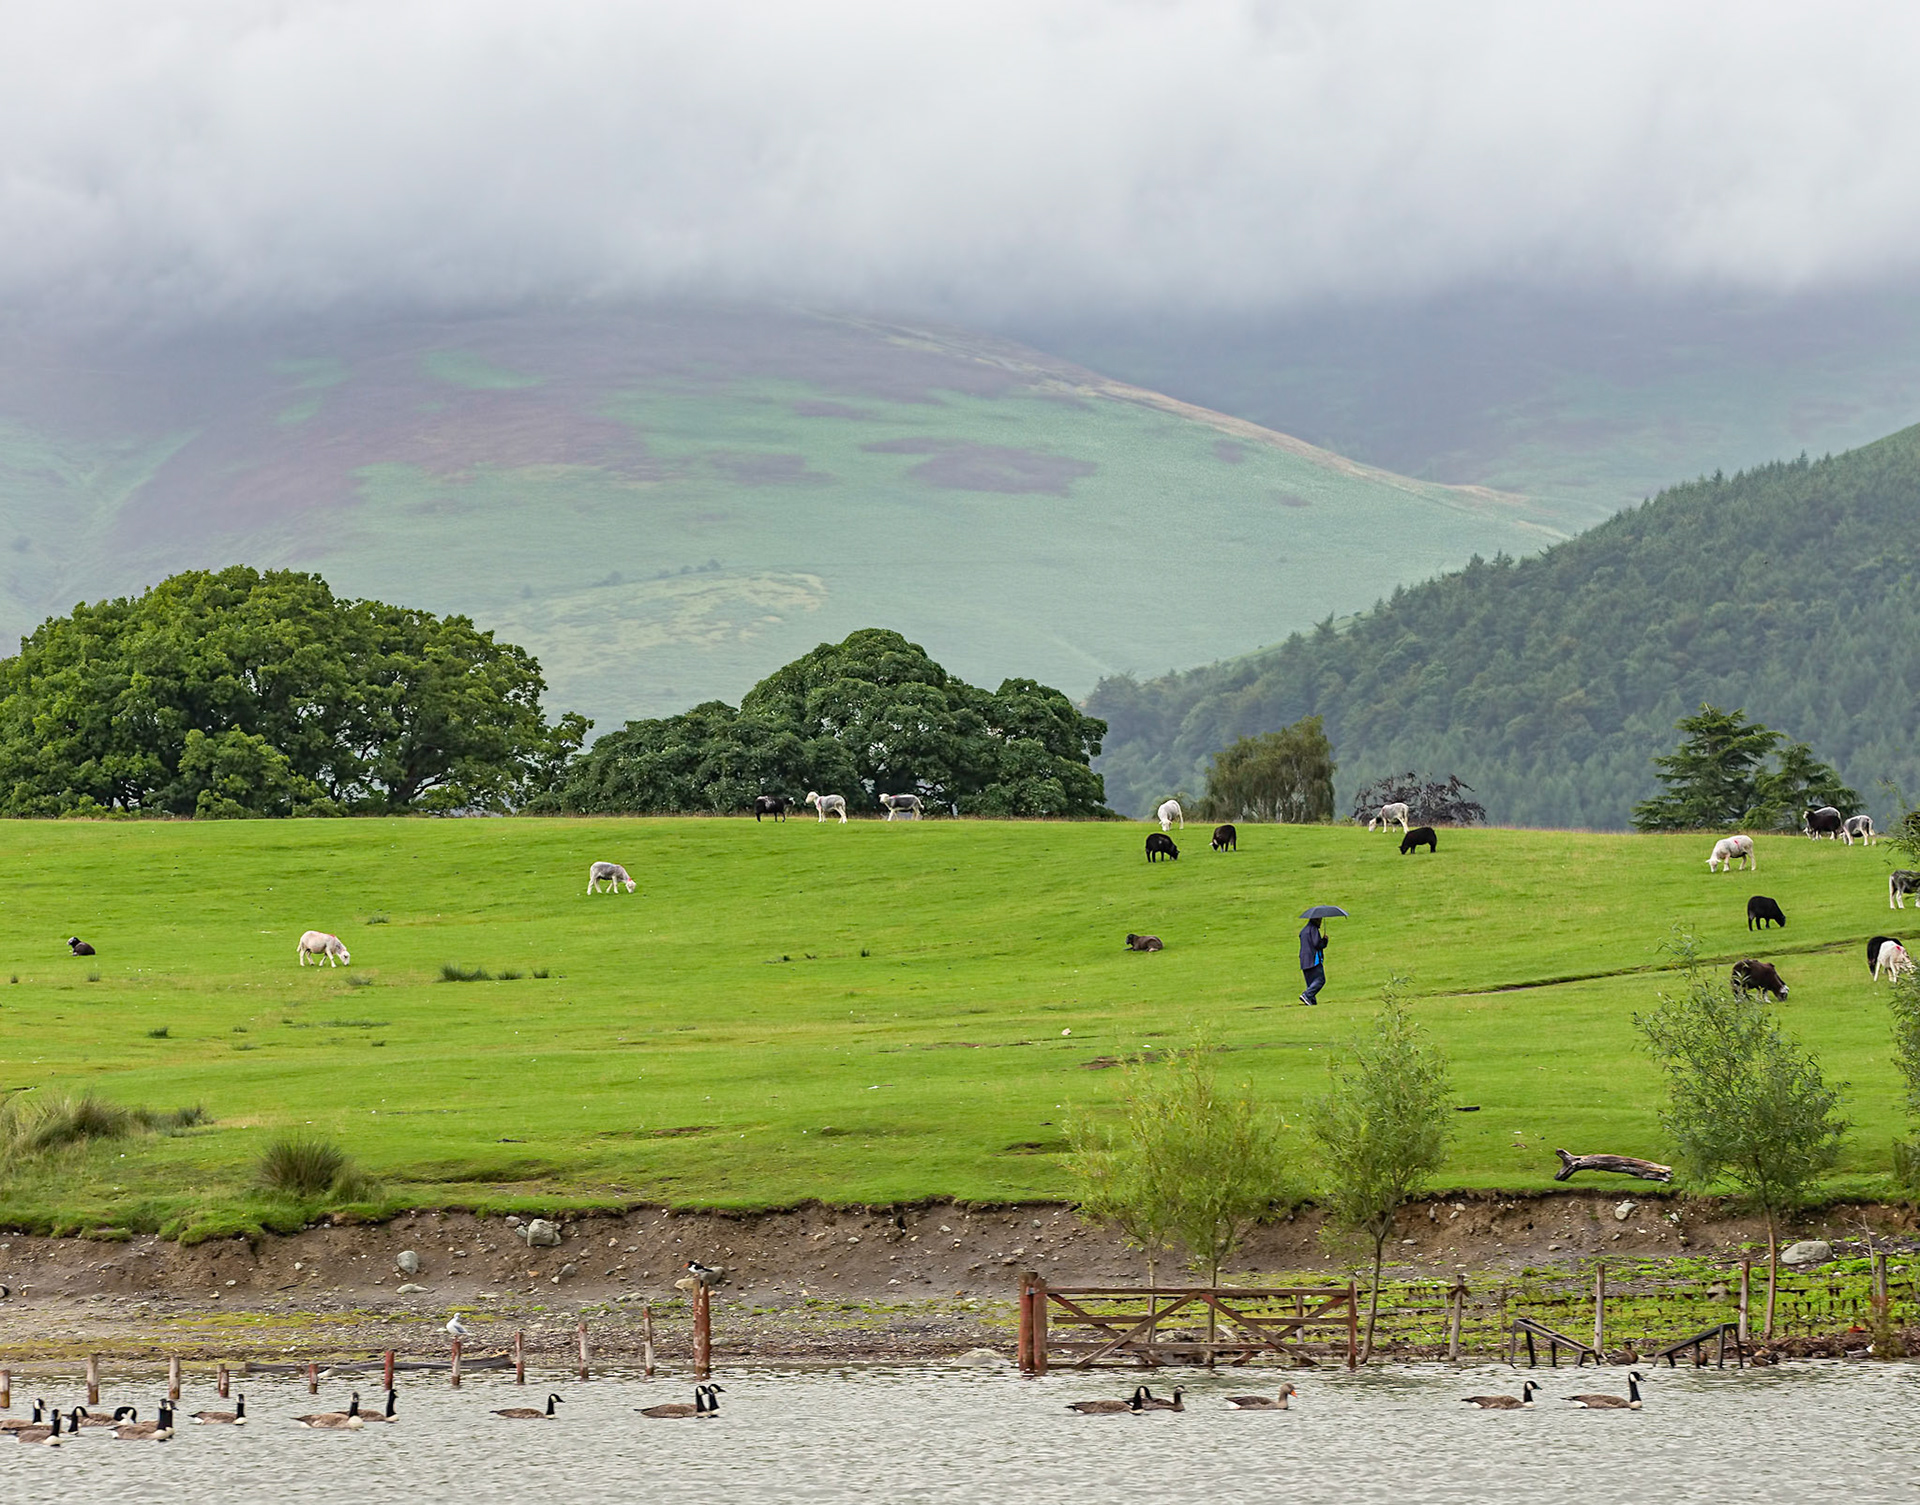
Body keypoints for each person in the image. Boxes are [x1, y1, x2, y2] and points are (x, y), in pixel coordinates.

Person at [1299, 916, 1329, 1005]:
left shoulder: (1303, 931)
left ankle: (1311, 1001)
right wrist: (1324, 941)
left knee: (1310, 983)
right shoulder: (1313, 929)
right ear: (1316, 920)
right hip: (1313, 960)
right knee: (1320, 980)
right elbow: (1317, 944)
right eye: (1320, 919)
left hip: (1304, 960)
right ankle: (1307, 995)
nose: (1320, 922)